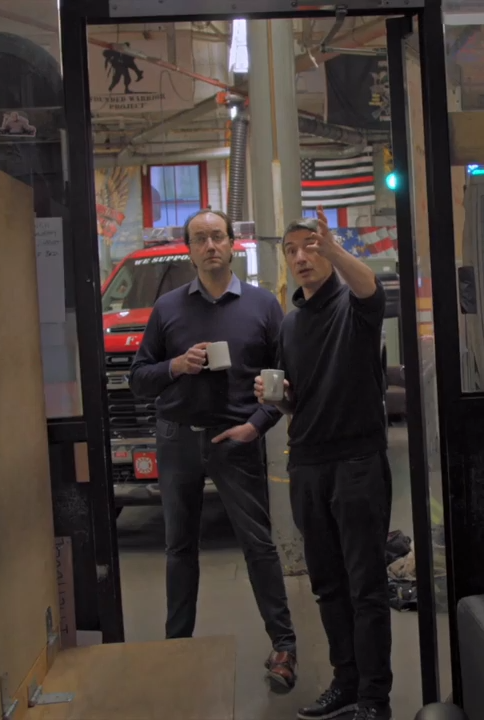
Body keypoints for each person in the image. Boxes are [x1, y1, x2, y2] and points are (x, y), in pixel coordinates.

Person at [130, 208, 298, 692]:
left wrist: (256, 426)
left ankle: (284, 647)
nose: (210, 246)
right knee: (179, 548)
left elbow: (284, 382)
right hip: (177, 437)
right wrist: (176, 366)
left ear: (231, 244)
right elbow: (139, 379)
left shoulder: (264, 306)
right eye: (200, 239)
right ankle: (177, 645)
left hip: (235, 439)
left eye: (218, 237)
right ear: (190, 249)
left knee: (258, 545)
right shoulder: (167, 309)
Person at [255, 210, 394, 720]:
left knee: (366, 588)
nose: (299, 257)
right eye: (291, 250)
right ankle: (347, 684)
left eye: (308, 247)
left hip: (357, 462)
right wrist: (280, 398)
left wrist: (334, 250)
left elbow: (372, 289)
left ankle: (376, 700)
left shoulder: (353, 306)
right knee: (328, 586)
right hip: (308, 464)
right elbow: (297, 398)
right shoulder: (291, 324)